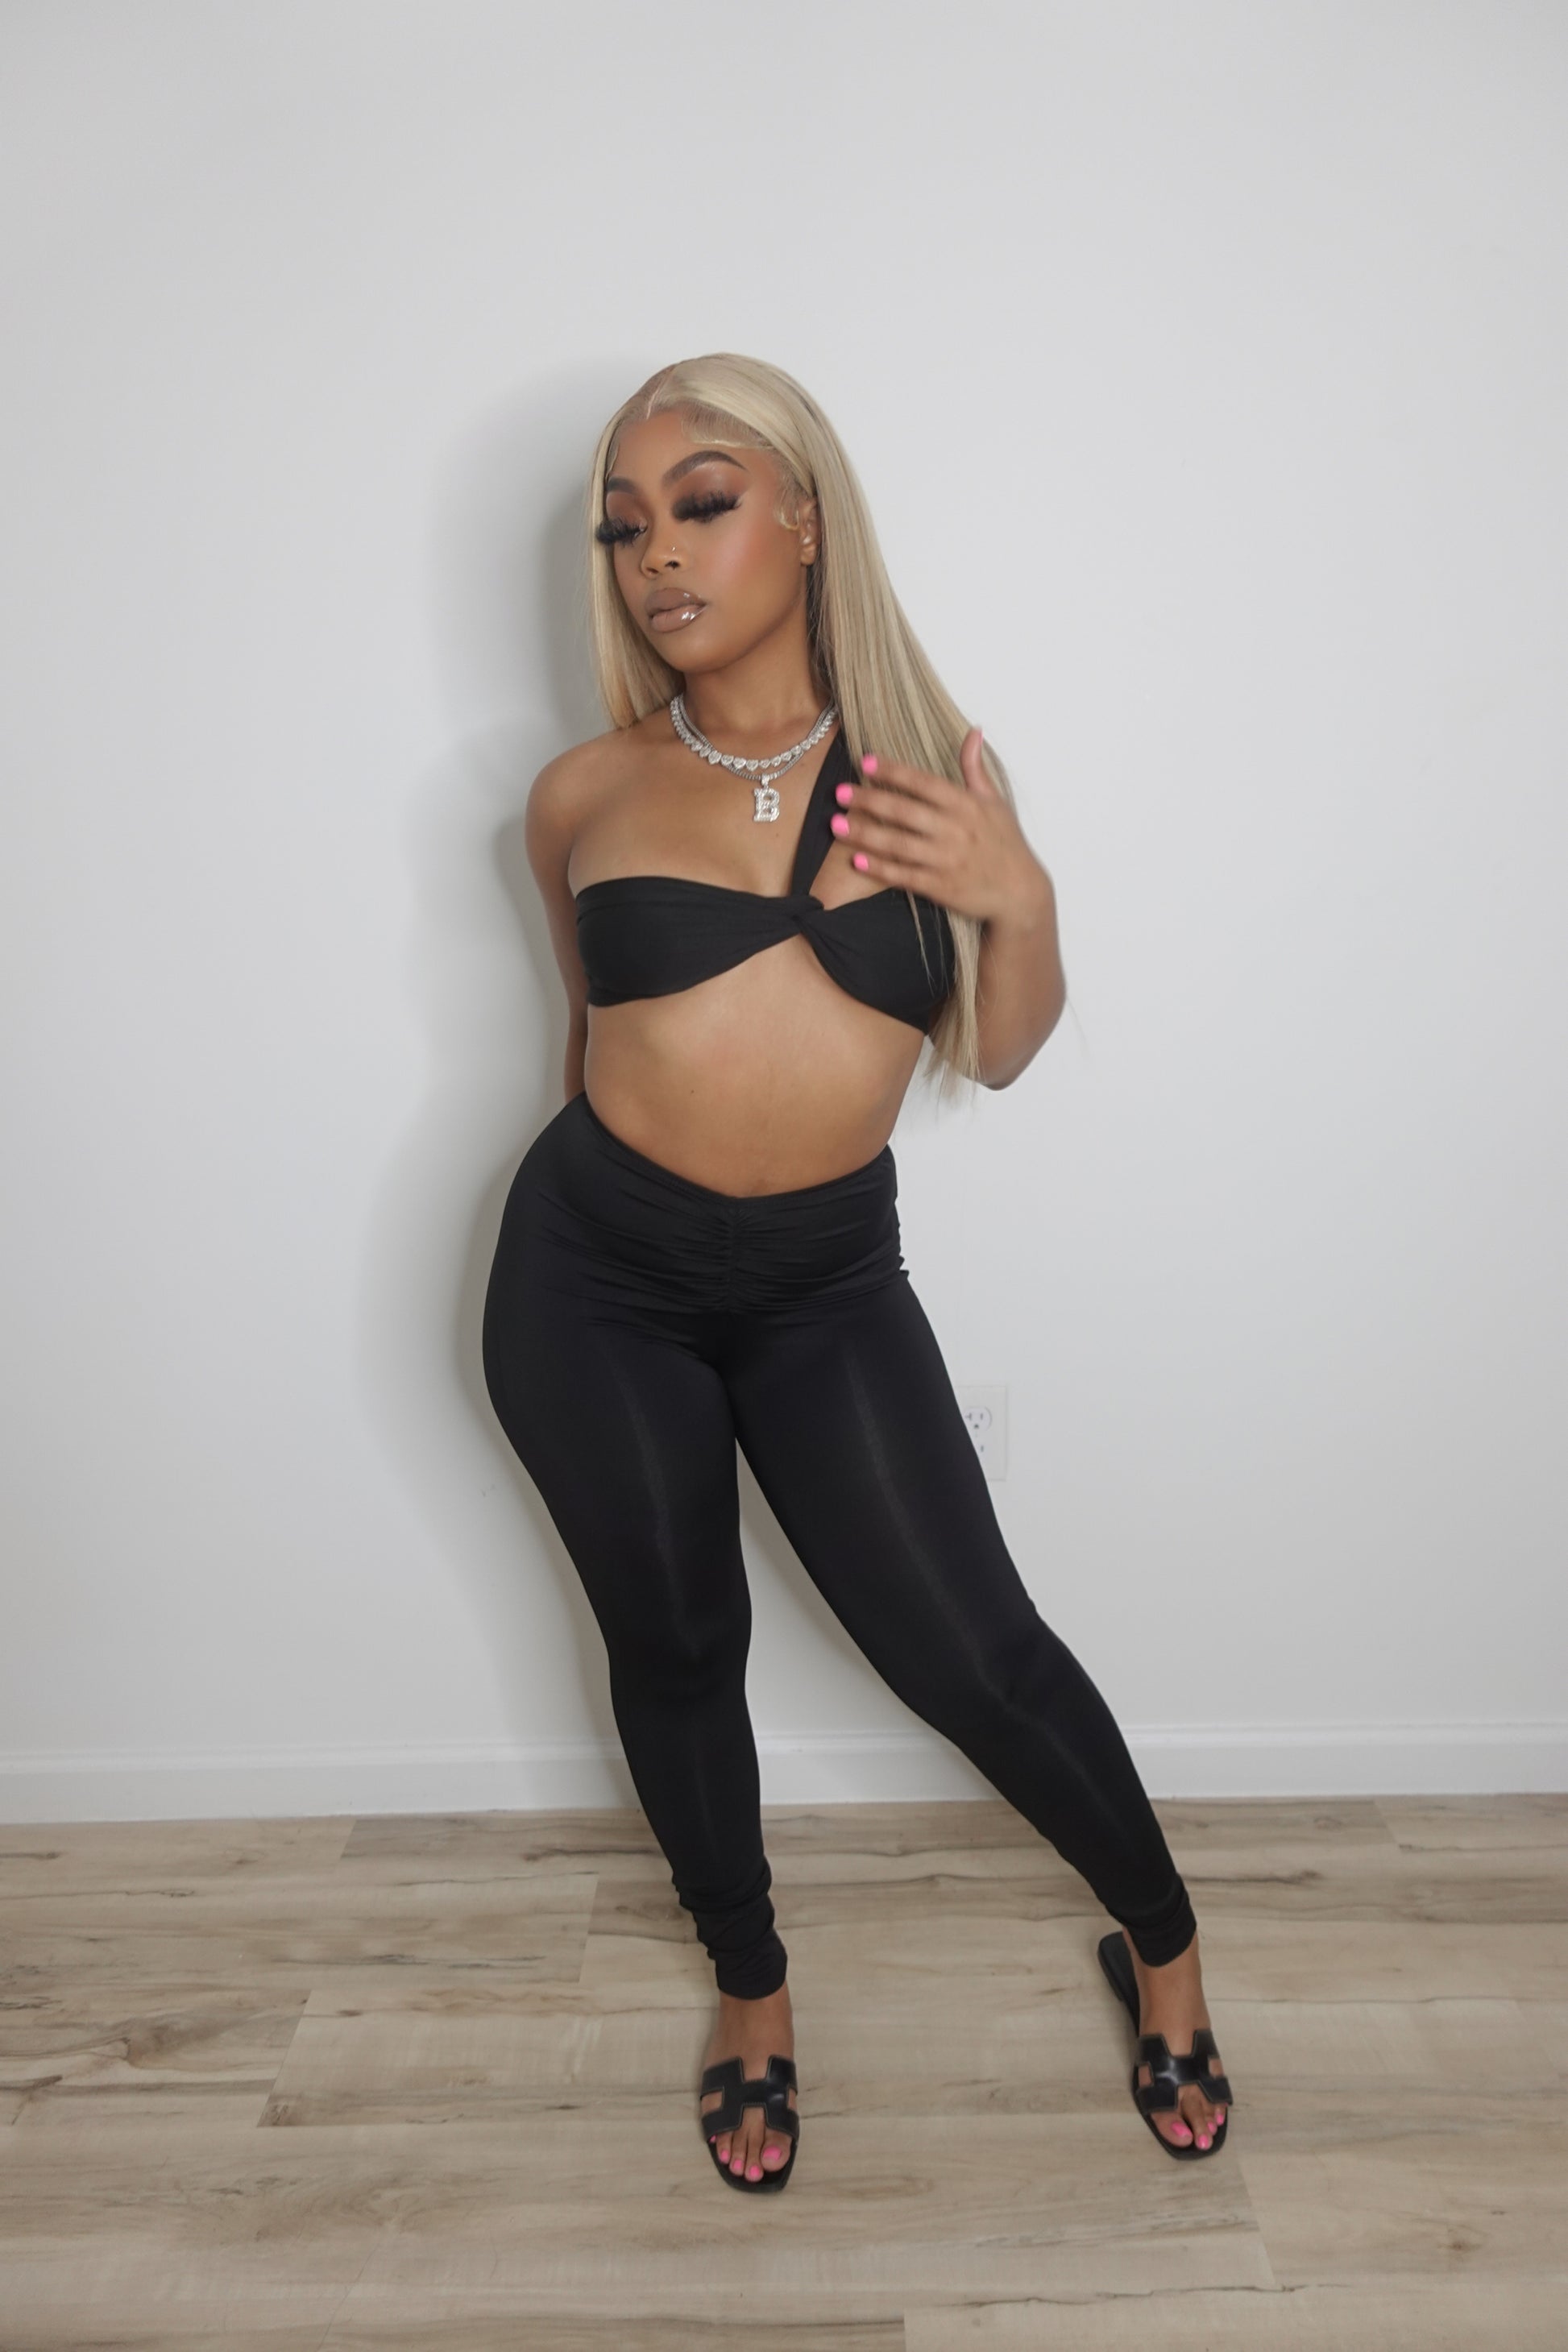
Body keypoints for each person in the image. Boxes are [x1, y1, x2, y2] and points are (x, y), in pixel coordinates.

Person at [481, 353, 1234, 2192]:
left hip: (824, 1285)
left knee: (974, 1652)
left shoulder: (929, 780)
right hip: (593, 1280)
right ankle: (749, 1983)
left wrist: (1021, 898)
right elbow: (587, 1038)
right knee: (677, 1641)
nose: (660, 555)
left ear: (806, 519)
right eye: (626, 527)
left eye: (704, 503)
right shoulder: (581, 793)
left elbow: (1001, 1050)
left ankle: (1164, 1943)